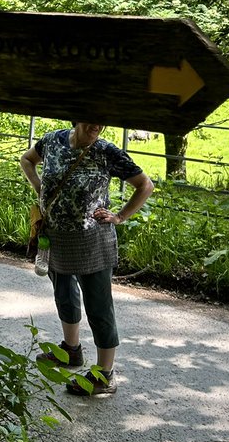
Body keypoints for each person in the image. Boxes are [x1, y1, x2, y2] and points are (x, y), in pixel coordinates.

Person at [19, 121, 154, 395]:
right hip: (56, 236)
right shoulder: (53, 141)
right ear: (76, 118)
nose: (97, 125)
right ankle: (71, 350)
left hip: (93, 242)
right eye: (91, 118)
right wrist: (39, 187)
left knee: (99, 305)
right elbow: (27, 159)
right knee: (64, 294)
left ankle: (105, 374)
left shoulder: (106, 151)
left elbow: (145, 185)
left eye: (102, 120)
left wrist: (119, 217)